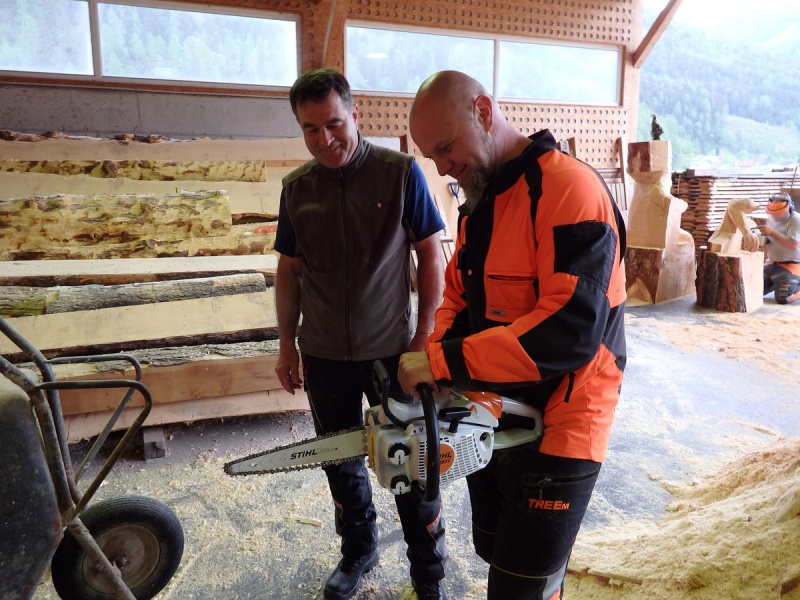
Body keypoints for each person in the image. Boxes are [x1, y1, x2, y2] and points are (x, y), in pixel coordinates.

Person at [398, 70, 627, 600]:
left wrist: (444, 362)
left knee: (521, 588)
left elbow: (569, 330)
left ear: (483, 111)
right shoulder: (479, 204)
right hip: (496, 406)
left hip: (567, 414)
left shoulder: (569, 190)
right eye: (432, 156)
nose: (442, 166)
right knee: (494, 548)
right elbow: (457, 299)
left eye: (446, 148)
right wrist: (437, 359)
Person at [273, 68, 449, 600]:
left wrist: (424, 337)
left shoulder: (399, 174)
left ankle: (428, 573)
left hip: (393, 352)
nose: (324, 139)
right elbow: (289, 270)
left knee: (411, 464)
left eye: (333, 124)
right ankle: (358, 551)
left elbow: (430, 253)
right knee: (340, 461)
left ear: (355, 114)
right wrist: (286, 344)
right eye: (310, 129)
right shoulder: (296, 189)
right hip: (324, 353)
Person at [759, 192, 800, 304]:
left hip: (790, 265)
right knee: (754, 290)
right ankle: (777, 283)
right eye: (772, 213)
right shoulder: (770, 219)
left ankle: (795, 284)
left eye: (779, 213)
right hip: (771, 263)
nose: (775, 216)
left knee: (784, 298)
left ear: (789, 209)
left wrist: (772, 233)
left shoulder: (796, 220)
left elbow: (794, 244)